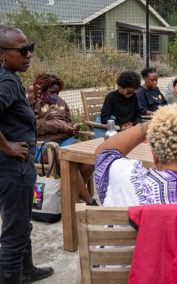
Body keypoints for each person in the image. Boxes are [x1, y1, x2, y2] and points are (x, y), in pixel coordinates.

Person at [94, 103, 177, 207]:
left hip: (141, 243)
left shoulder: (129, 181)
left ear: (155, 156)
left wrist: (148, 126)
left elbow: (104, 154)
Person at [0, 25, 53, 283]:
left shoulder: (8, 77)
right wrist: (7, 146)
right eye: (23, 51)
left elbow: (10, 117)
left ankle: (27, 269)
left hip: (14, 167)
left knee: (21, 219)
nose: (29, 54)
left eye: (29, 48)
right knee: (16, 229)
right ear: (2, 54)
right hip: (13, 167)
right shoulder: (6, 80)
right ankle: (10, 275)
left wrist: (29, 102)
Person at [30, 73, 97, 206]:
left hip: (64, 139)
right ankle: (88, 201)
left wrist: (73, 127)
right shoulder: (34, 103)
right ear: (42, 90)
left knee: (89, 153)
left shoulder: (61, 102)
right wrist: (62, 127)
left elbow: (68, 122)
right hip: (44, 144)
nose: (55, 96)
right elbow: (37, 126)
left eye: (57, 92)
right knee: (63, 154)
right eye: (51, 92)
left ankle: (73, 195)